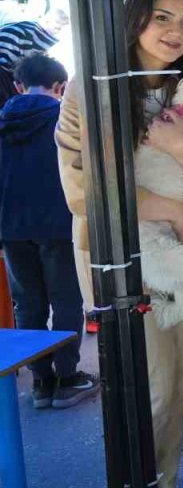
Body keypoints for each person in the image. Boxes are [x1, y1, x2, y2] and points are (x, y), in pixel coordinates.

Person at [56, 0, 183, 488]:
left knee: (178, 380)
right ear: (135, 18)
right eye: (162, 17)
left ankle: (163, 478)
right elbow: (79, 184)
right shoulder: (91, 88)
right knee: (147, 386)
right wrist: (163, 205)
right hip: (121, 252)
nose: (175, 31)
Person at [1, 53, 98, 408]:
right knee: (66, 301)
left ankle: (41, 383)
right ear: (60, 87)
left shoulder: (2, 122)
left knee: (28, 304)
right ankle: (68, 378)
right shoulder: (63, 120)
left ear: (18, 86)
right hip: (59, 225)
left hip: (12, 230)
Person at [0, 19, 58, 105]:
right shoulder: (3, 79)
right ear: (14, 46)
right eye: (36, 50)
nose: (39, 58)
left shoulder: (11, 74)